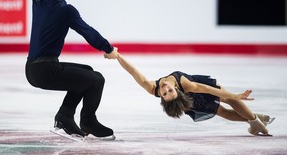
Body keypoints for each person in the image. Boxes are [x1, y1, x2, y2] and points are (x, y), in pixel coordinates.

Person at [25, 0, 118, 139]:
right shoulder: (66, 10)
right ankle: (88, 121)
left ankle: (64, 117)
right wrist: (108, 49)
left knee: (87, 73)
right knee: (96, 80)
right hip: (45, 70)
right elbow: (88, 32)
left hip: (33, 68)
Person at [107, 53, 273, 136]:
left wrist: (116, 55)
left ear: (162, 96)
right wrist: (234, 96)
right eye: (168, 91)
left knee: (224, 108)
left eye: (165, 92)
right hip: (195, 95)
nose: (165, 87)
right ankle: (254, 120)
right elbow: (208, 90)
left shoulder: (152, 88)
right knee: (224, 105)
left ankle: (254, 121)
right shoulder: (185, 84)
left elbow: (132, 71)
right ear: (178, 91)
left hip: (191, 96)